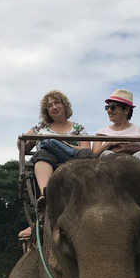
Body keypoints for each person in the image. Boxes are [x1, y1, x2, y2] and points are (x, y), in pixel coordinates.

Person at [18, 90, 90, 238]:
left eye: (57, 103)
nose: (54, 107)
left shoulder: (78, 128)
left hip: (71, 163)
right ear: (46, 110)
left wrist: (62, 144)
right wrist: (24, 142)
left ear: (65, 106)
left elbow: (86, 149)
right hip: (49, 162)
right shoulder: (40, 128)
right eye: (50, 105)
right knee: (43, 153)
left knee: (85, 155)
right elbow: (25, 146)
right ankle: (45, 195)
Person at [92, 88, 140, 174]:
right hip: (112, 170)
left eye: (113, 107)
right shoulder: (102, 132)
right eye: (107, 107)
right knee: (107, 154)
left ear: (126, 110)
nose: (109, 111)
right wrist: (109, 143)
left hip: (136, 167)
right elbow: (93, 156)